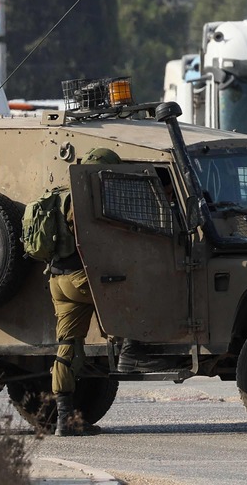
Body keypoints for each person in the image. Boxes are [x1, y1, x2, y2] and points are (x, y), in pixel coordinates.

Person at [48, 147, 163, 436]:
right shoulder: (88, 195)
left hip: (57, 279)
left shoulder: (60, 194)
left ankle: (64, 421)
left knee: (68, 348)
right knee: (137, 291)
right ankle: (131, 353)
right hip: (80, 279)